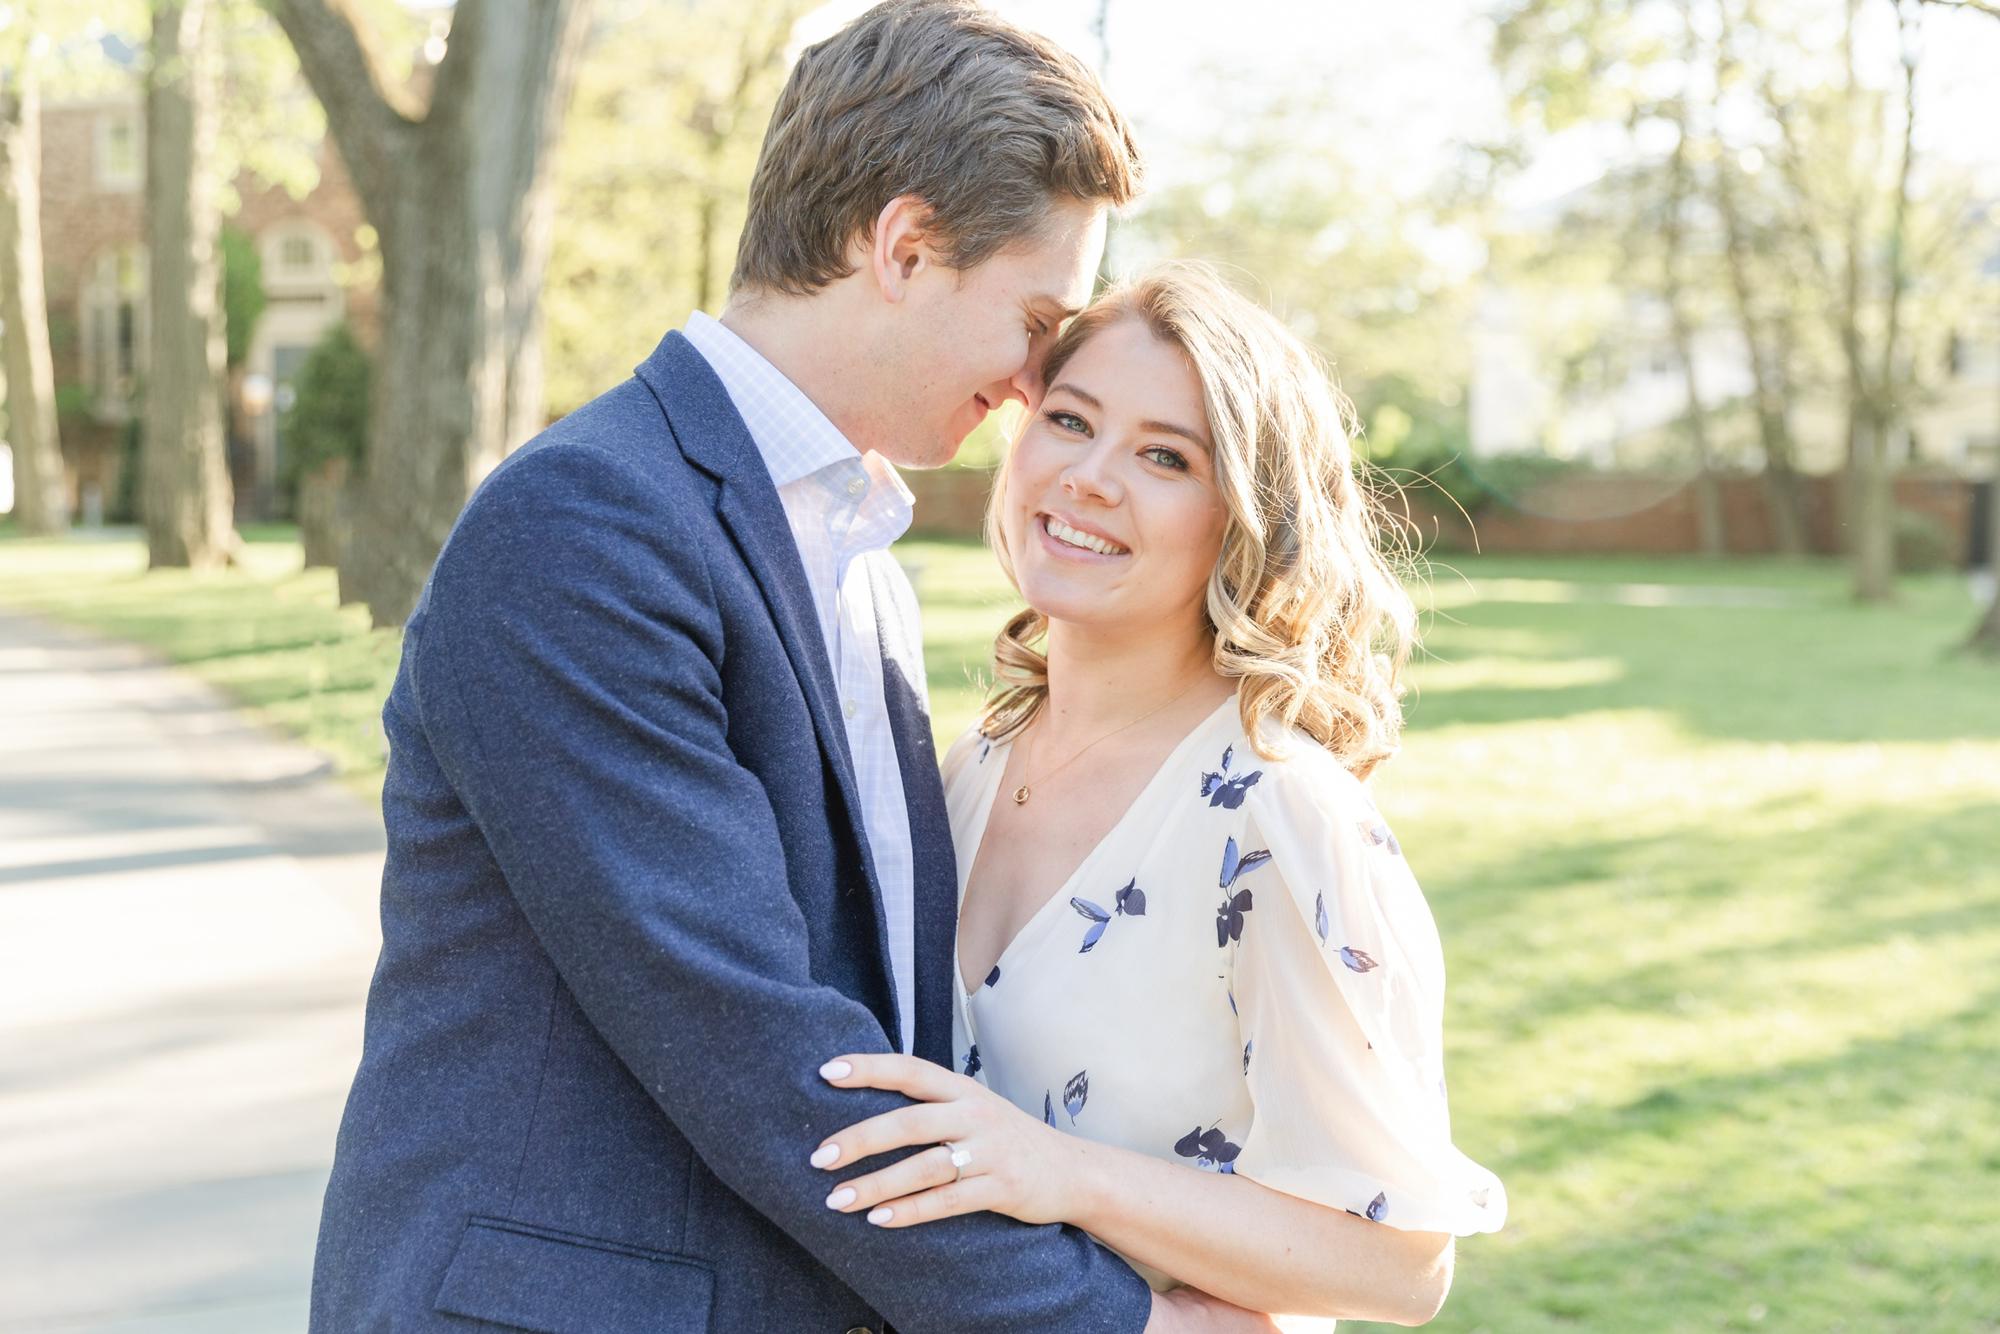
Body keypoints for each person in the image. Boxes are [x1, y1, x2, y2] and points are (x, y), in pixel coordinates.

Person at [310, 3, 1273, 1329]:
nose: (1029, 384)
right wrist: (1115, 1319)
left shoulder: (855, 558)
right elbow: (750, 1040)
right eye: (1034, 318)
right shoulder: (586, 524)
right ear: (904, 247)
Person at [809, 264, 1508, 1328]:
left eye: (1164, 456)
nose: (1089, 477)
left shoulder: (1278, 816)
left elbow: (1398, 1263)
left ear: (1245, 520)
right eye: (1069, 420)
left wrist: (1062, 1172)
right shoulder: (972, 762)